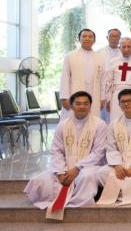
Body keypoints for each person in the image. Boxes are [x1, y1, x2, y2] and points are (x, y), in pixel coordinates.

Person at [25, 91, 107, 220]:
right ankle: (66, 197)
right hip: (65, 167)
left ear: (90, 106)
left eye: (86, 103)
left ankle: (78, 203)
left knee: (87, 177)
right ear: (72, 105)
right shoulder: (63, 125)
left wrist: (77, 168)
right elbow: (56, 150)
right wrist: (60, 171)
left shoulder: (100, 124)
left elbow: (98, 152)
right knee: (39, 181)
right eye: (78, 103)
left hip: (89, 166)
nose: (82, 107)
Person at [59, 29, 106, 119]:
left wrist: (102, 97)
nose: (87, 39)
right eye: (84, 36)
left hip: (94, 94)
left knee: (93, 121)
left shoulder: (100, 58)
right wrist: (64, 98)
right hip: (75, 92)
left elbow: (103, 80)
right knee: (73, 121)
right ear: (79, 39)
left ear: (94, 40)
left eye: (90, 37)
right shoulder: (70, 56)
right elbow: (64, 78)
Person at [102, 37, 131, 124]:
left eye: (129, 47)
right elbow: (108, 82)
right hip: (117, 94)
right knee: (116, 120)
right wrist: (108, 99)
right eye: (124, 46)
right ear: (119, 47)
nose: (126, 49)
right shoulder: (113, 62)